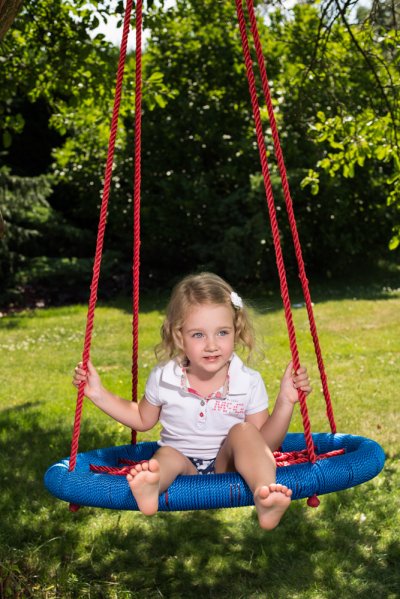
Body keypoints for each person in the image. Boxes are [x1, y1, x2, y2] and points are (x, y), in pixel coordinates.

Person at [73, 272, 311, 529]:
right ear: (179, 336)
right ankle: (151, 487)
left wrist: (285, 402)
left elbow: (264, 444)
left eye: (222, 332)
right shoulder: (165, 377)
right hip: (181, 464)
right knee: (166, 456)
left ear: (236, 331)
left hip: (227, 465)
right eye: (198, 335)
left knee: (245, 431)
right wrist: (98, 393)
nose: (212, 345)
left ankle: (265, 494)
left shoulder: (247, 381)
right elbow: (142, 418)